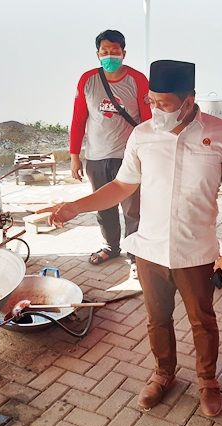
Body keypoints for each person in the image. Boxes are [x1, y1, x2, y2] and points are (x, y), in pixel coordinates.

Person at [40, 60, 222, 417]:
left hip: (196, 250)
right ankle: (163, 374)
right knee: (157, 319)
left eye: (164, 103)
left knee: (202, 321)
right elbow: (122, 186)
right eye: (151, 101)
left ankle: (208, 381)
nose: (156, 109)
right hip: (150, 249)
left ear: (189, 99)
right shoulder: (143, 135)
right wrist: (76, 207)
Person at [69, 29, 151, 278]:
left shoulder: (137, 79)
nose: (110, 55)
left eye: (115, 51)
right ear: (97, 54)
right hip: (96, 156)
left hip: (130, 156)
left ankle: (135, 255)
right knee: (103, 205)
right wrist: (74, 155)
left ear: (123, 53)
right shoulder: (87, 80)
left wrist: (149, 153)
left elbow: (148, 119)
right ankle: (111, 247)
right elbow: (78, 118)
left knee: (133, 209)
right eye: (105, 51)